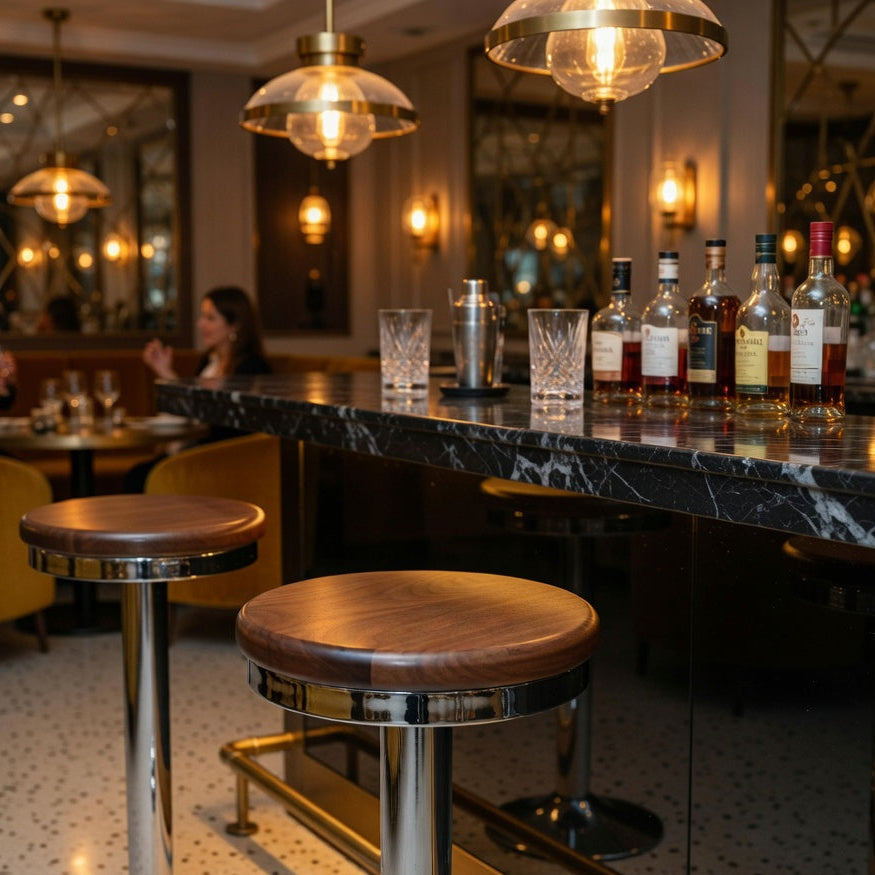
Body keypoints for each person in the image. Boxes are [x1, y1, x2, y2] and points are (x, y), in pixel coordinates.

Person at [124, 286, 271, 491]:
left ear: (234, 325)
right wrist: (164, 371)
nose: (200, 324)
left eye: (210, 318)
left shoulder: (251, 367)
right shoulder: (209, 362)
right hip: (195, 451)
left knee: (139, 478)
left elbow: (222, 423)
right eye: (202, 317)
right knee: (137, 475)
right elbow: (193, 407)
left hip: (222, 460)